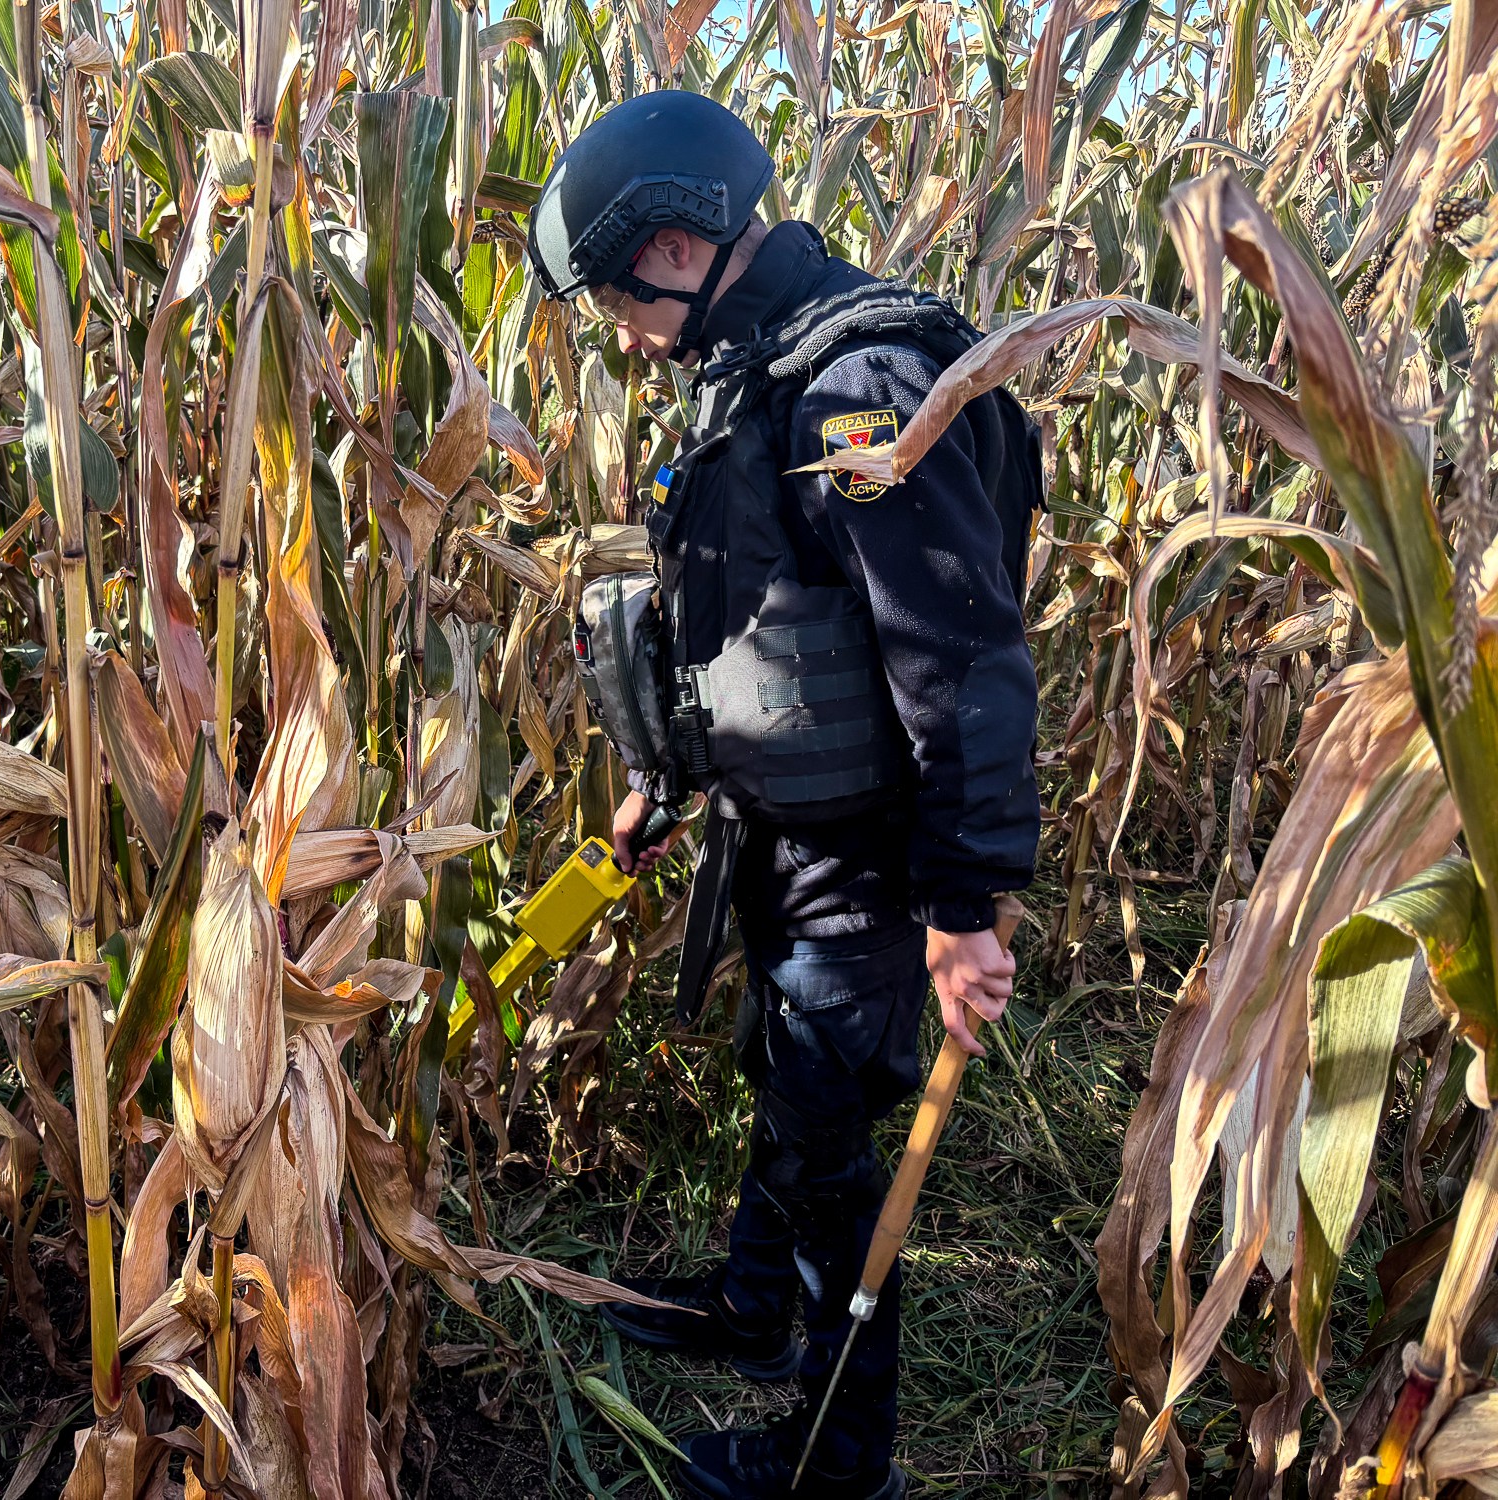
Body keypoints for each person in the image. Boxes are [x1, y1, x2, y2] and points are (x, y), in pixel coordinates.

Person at [526, 91, 1043, 1499]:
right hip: (782, 832)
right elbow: (751, 622)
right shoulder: (760, 369)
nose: (623, 327)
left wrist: (964, 903)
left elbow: (959, 654)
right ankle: (754, 1310)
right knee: (788, 1074)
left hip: (869, 857)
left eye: (622, 296)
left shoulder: (855, 386)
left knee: (824, 1136)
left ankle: (835, 1457)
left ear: (681, 245)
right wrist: (665, 780)